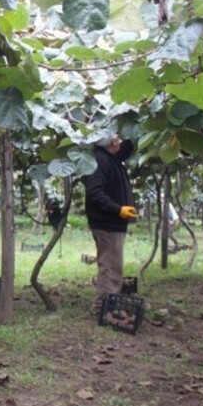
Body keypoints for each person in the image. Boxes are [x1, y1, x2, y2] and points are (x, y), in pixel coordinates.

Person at [83, 132, 138, 314]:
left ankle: (109, 304)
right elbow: (95, 193)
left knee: (114, 264)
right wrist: (118, 209)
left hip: (113, 223)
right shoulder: (100, 161)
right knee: (110, 266)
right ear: (113, 142)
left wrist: (133, 126)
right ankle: (103, 308)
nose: (121, 142)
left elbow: (125, 150)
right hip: (107, 223)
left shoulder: (109, 157)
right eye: (118, 139)